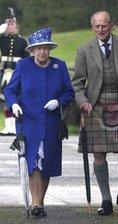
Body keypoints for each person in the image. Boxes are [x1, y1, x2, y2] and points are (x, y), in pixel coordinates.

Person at [72, 11, 118, 215]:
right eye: (97, 26)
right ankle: (106, 200)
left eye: (104, 25)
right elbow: (77, 84)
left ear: (111, 25)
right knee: (98, 154)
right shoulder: (84, 49)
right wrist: (83, 102)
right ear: (92, 27)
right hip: (95, 104)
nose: (101, 29)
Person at [4, 27, 74, 218]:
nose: (42, 51)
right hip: (28, 123)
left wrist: (58, 102)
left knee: (47, 164)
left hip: (51, 124)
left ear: (50, 49)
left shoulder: (60, 66)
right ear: (32, 50)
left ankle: (39, 202)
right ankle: (36, 203)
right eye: (38, 48)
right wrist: (14, 104)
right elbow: (10, 90)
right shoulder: (23, 66)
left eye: (45, 48)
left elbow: (69, 92)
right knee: (33, 163)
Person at [0, 9, 29, 135]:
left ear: (17, 27)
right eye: (9, 24)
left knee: (15, 98)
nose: (10, 27)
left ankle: (14, 126)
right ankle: (8, 126)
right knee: (5, 98)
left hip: (17, 72)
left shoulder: (22, 41)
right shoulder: (2, 39)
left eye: (13, 25)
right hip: (4, 71)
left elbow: (27, 58)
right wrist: (3, 27)